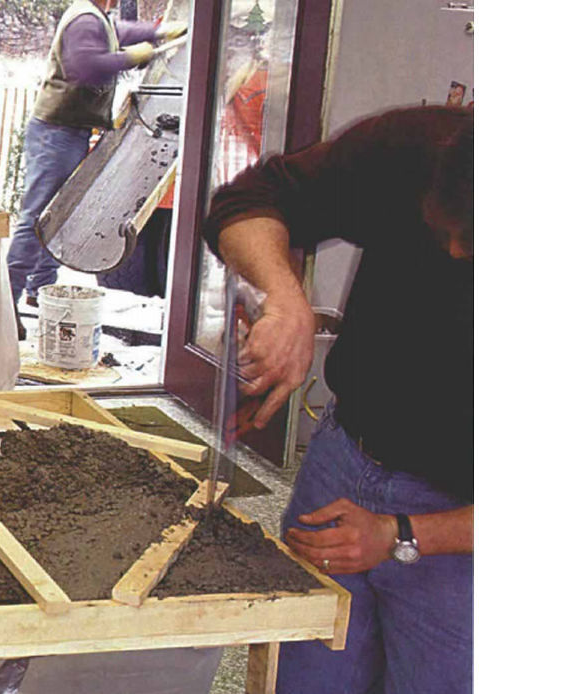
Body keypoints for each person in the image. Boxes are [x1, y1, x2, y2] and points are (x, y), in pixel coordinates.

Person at [203, 106, 473, 694]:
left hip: (466, 525)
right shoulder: (414, 147)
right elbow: (243, 205)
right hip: (345, 459)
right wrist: (285, 297)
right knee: (302, 673)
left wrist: (402, 534)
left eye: (475, 243)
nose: (453, 252)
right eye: (441, 226)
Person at [7, 0, 186, 339]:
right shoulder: (85, 18)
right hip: (56, 133)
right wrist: (137, 55)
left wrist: (157, 32)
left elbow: (117, 32)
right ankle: (4, 306)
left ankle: (40, 292)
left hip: (66, 131)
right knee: (37, 220)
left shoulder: (95, 17)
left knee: (58, 218)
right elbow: (86, 67)